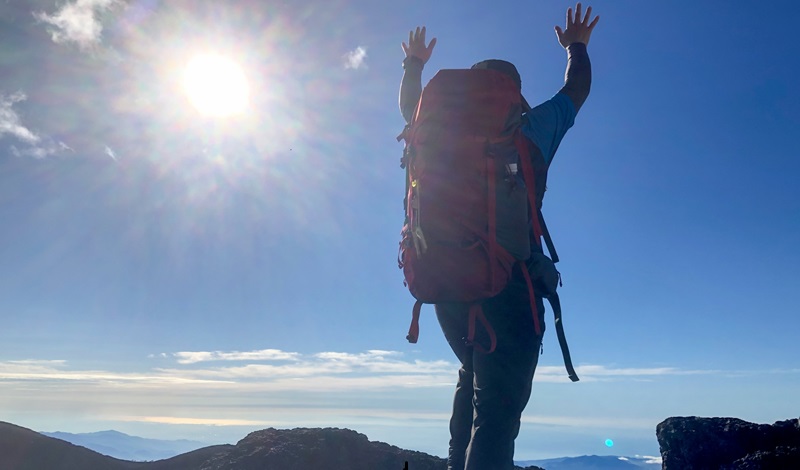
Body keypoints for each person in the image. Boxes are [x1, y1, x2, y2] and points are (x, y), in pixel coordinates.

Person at [398, 4, 599, 470]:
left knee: (471, 373)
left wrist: (414, 63)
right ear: (514, 93)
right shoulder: (528, 130)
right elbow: (576, 91)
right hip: (507, 285)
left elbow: (408, 102)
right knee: (498, 415)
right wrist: (576, 47)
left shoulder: (431, 130)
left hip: (441, 280)